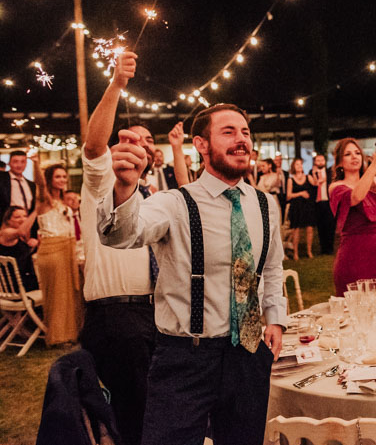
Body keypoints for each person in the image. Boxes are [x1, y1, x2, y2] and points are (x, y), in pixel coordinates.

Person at [97, 103, 287, 445]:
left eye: (245, 132)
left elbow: (272, 267)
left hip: (247, 354)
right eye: (228, 132)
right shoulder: (174, 203)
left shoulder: (265, 204)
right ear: (201, 144)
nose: (241, 140)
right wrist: (125, 188)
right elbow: (119, 236)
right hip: (185, 358)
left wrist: (275, 318)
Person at [77, 50, 162, 445]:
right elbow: (94, 145)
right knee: (134, 420)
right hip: (117, 319)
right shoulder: (101, 182)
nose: (139, 145)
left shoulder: (152, 197)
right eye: (131, 139)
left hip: (155, 314)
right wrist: (117, 84)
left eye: (147, 141)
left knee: (157, 412)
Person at [329, 138, 376, 295]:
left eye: (357, 153)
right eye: (348, 154)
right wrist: (375, 164)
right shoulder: (336, 187)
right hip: (353, 255)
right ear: (339, 162)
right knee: (356, 304)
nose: (354, 157)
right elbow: (356, 197)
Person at [32, 160, 84, 345]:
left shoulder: (63, 201)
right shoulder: (44, 199)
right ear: (50, 179)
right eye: (58, 177)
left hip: (68, 249)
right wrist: (36, 163)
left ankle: (71, 332)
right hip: (52, 249)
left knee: (70, 293)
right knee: (58, 295)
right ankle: (58, 336)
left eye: (64, 176)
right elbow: (40, 183)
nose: (62, 180)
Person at [0, 206, 40, 291]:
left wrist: (35, 243)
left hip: (26, 279)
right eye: (17, 217)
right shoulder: (5, 233)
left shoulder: (22, 236)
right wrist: (36, 210)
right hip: (15, 285)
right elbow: (22, 231)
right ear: (8, 220)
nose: (23, 219)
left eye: (25, 216)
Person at [286, 158, 316, 259]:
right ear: (293, 167)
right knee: (296, 230)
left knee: (310, 229)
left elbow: (316, 184)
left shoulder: (308, 177)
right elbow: (288, 196)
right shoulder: (290, 180)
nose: (299, 166)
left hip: (307, 206)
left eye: (300, 164)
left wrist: (314, 173)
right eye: (297, 164)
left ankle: (309, 251)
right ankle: (296, 253)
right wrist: (301, 193)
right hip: (296, 207)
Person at [309, 153, 335, 255]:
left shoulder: (329, 172)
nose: (320, 162)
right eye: (318, 160)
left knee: (330, 225)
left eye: (322, 160)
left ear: (325, 161)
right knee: (320, 226)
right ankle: (323, 248)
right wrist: (314, 174)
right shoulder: (311, 173)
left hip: (328, 201)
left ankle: (330, 248)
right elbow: (313, 185)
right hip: (317, 203)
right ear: (315, 162)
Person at [0, 150, 36, 220]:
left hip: (27, 221)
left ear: (26, 163)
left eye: (23, 162)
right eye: (15, 161)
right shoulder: (2, 178)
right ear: (9, 163)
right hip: (6, 221)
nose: (19, 165)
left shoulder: (31, 185)